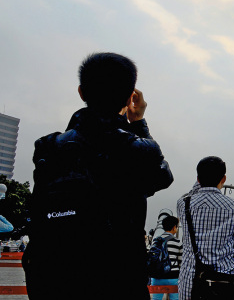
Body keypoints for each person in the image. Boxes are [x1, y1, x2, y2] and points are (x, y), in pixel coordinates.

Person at [23, 52, 173, 300]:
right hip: (117, 281)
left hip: (52, 280)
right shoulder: (137, 150)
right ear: (129, 97)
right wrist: (137, 122)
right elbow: (163, 176)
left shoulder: (49, 146)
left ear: (81, 92)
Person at [177, 156, 234, 300]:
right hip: (223, 283)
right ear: (224, 179)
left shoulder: (183, 204)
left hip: (190, 282)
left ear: (198, 179)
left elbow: (192, 192)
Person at [150, 216, 182, 300]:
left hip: (157, 276)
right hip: (173, 277)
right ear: (174, 227)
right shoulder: (177, 242)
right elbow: (180, 262)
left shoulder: (156, 241)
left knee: (156, 299)